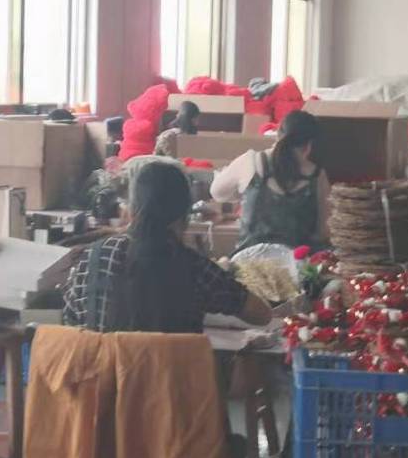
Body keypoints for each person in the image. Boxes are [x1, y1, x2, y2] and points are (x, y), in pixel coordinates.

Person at [63, 161, 272, 334]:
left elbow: (70, 326)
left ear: (130, 211)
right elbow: (262, 315)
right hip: (172, 373)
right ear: (184, 218)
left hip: (103, 373)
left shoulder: (91, 260)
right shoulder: (194, 268)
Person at [211, 111, 331, 253]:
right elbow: (323, 232)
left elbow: (217, 193)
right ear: (309, 145)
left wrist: (242, 192)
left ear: (277, 134)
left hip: (248, 262)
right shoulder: (317, 176)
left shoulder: (250, 161)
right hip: (298, 263)